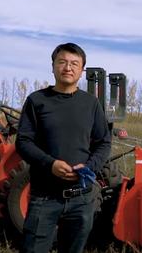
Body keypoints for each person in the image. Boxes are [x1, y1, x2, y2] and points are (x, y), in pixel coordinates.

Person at [16, 42, 111, 253]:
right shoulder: (37, 101)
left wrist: (89, 168)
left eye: (74, 63)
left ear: (81, 70)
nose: (68, 67)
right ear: (53, 66)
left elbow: (103, 142)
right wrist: (50, 164)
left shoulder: (91, 104)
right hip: (44, 198)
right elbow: (23, 142)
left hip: (82, 199)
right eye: (62, 62)